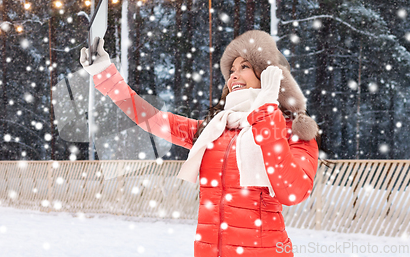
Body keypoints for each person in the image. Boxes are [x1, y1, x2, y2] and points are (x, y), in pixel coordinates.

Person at [80, 30, 319, 257]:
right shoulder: (214, 130)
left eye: (244, 67)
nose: (233, 75)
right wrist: (105, 73)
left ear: (269, 74)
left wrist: (266, 114)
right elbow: (151, 119)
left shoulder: (293, 132)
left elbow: (293, 192)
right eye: (231, 70)